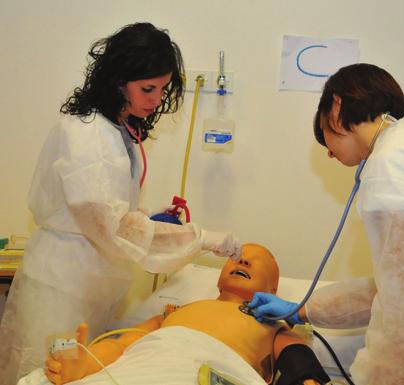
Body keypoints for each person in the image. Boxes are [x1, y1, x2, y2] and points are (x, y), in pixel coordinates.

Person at [0, 22, 241, 384]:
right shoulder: (87, 135)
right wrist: (200, 238)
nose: (156, 99)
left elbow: (107, 210)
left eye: (162, 89)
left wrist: (148, 215)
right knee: (46, 373)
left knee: (84, 371)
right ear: (117, 80)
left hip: (94, 282)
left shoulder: (117, 128)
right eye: (148, 88)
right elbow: (110, 226)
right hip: (62, 288)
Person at [249, 63, 404, 385]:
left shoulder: (393, 168)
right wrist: (302, 309)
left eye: (326, 140)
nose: (330, 155)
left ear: (336, 106)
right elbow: (397, 287)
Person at [39, 244, 330, 385]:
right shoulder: (177, 312)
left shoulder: (274, 325)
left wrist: (308, 381)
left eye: (256, 261)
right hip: (144, 367)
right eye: (236, 257)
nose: (241, 259)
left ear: (274, 287)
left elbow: (298, 360)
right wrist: (85, 366)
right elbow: (121, 345)